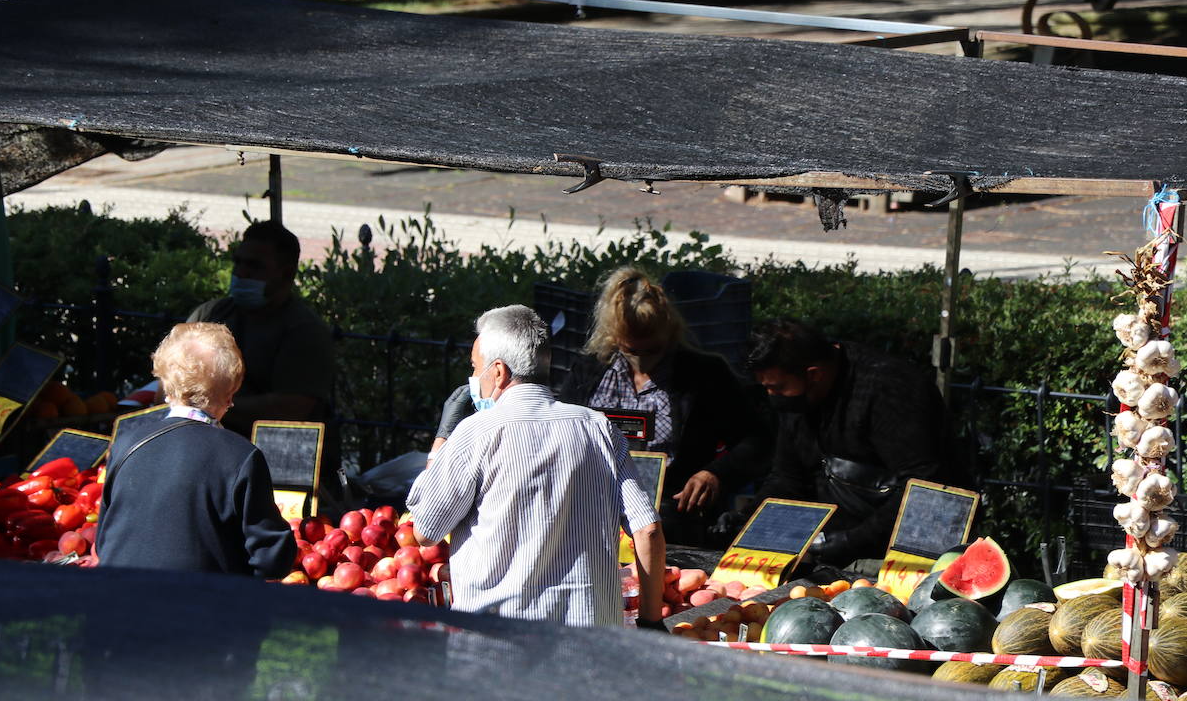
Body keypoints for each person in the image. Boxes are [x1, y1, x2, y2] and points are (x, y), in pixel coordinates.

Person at [407, 305, 667, 628]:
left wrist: (441, 441)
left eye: (475, 369)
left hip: (499, 642)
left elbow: (426, 530)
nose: (473, 379)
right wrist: (651, 621)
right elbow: (648, 529)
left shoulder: (476, 433)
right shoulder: (599, 429)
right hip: (589, 644)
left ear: (498, 372)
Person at [557, 267, 772, 544]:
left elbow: (756, 440)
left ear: (668, 333)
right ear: (614, 338)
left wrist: (714, 474)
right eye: (633, 351)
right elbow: (560, 428)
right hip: (595, 507)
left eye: (653, 350)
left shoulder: (704, 374)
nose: (644, 361)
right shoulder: (590, 370)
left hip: (673, 513)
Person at [745, 319, 955, 566]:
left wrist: (847, 543)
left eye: (778, 389)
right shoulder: (798, 395)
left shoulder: (891, 389)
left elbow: (924, 487)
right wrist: (749, 519)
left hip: (903, 549)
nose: (772, 397)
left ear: (814, 375)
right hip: (831, 546)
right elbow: (788, 477)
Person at [95, 322, 295, 577]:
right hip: (199, 608)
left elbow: (105, 541)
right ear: (229, 395)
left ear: (165, 385)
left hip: (114, 601)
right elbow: (273, 559)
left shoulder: (126, 442)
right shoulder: (241, 457)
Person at [187, 221, 335, 438]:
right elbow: (169, 382)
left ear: (286, 273)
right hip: (208, 443)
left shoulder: (304, 330)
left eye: (254, 266)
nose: (241, 273)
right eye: (238, 262)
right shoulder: (209, 314)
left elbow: (290, 409)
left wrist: (207, 405)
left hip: (275, 454)